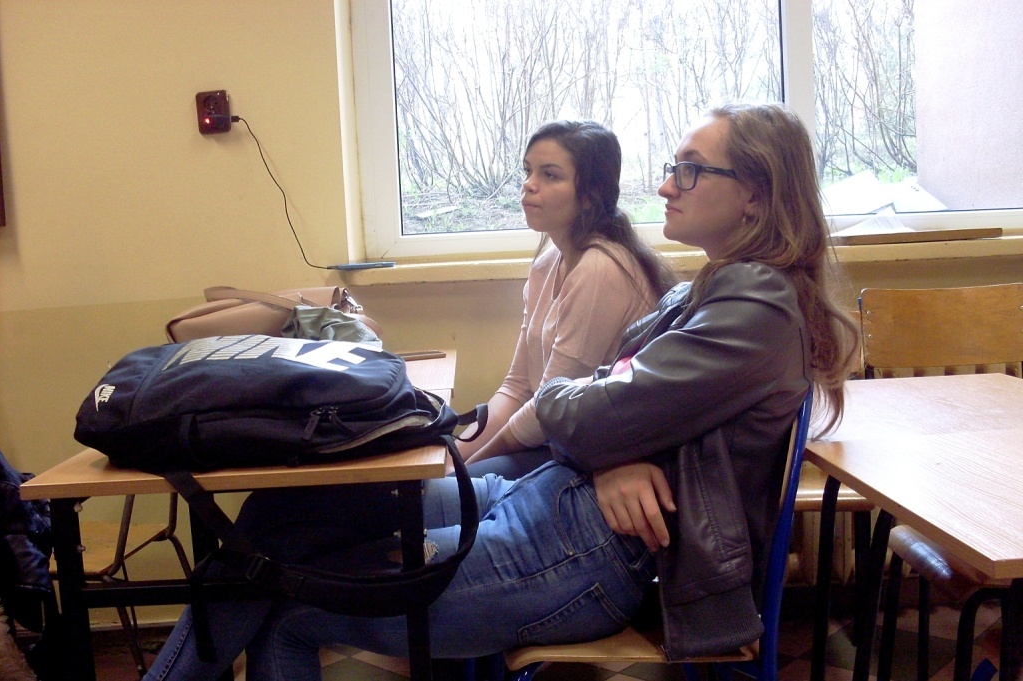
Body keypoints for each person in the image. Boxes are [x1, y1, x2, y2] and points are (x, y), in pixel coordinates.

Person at [142, 103, 860, 681]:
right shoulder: (717, 289)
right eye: (674, 168)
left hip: (588, 551)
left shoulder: (753, 308)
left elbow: (581, 405)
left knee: (287, 604)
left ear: (756, 194)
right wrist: (613, 444)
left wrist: (604, 431)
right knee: (279, 522)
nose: (668, 185)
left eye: (691, 170)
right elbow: (595, 400)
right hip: (554, 502)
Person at [458, 120, 675, 479]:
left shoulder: (600, 268)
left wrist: (465, 469)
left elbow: (548, 409)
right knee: (433, 475)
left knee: (450, 491)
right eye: (528, 171)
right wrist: (453, 456)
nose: (528, 184)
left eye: (550, 175)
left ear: (590, 194)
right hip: (553, 441)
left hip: (593, 458)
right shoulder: (546, 265)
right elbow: (517, 386)